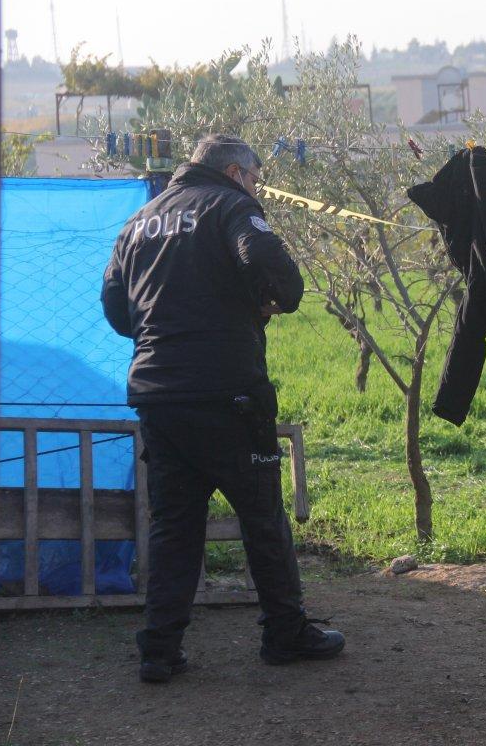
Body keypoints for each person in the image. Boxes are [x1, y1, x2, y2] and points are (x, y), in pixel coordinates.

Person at [101, 134, 345, 683]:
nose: (257, 186)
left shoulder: (141, 220)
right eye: (256, 177)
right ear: (236, 172)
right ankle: (285, 634)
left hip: (157, 396)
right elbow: (266, 262)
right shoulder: (232, 205)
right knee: (262, 517)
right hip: (228, 392)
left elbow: (116, 308)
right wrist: (274, 300)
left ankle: (159, 651)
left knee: (174, 525)